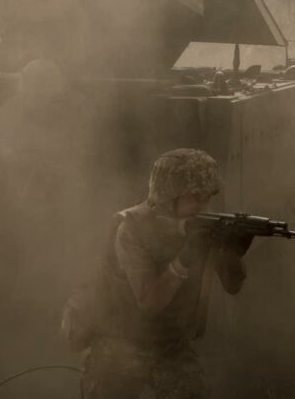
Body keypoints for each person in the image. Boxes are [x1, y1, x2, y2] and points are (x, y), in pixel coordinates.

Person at [61, 148, 254, 399]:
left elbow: (233, 286)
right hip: (119, 343)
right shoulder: (131, 228)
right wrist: (184, 258)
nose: (202, 206)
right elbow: (149, 302)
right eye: (194, 197)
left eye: (207, 198)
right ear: (167, 196)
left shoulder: (200, 228)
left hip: (171, 344)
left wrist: (232, 252)